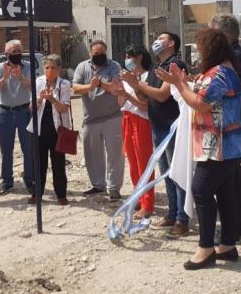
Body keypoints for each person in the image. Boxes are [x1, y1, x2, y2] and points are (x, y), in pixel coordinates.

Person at [157, 28, 241, 270]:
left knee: (201, 190)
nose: (198, 52)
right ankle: (227, 245)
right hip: (226, 145)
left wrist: (178, 83)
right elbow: (200, 89)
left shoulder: (219, 74)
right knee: (225, 194)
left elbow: (200, 103)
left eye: (200, 48)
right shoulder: (223, 71)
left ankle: (205, 248)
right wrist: (181, 80)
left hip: (218, 146)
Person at [121, 32, 189, 236]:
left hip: (172, 127)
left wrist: (135, 84)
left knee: (177, 174)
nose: (156, 42)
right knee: (167, 173)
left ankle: (182, 219)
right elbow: (146, 94)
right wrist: (135, 84)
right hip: (157, 127)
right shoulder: (156, 69)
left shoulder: (176, 64)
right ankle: (172, 213)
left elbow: (161, 95)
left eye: (161, 39)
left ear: (171, 43)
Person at [210, 14, 241, 238]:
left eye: (213, 33)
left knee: (232, 176)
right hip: (231, 124)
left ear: (223, 34)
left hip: (231, 125)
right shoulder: (234, 56)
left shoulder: (235, 58)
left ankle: (239, 225)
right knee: (233, 176)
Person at [72, 40, 124, 199]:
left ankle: (114, 188)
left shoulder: (114, 66)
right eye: (96, 54)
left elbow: (116, 89)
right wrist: (90, 87)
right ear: (90, 54)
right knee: (92, 154)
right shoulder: (82, 67)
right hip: (91, 118)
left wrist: (100, 83)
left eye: (102, 54)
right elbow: (75, 87)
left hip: (112, 117)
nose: (99, 56)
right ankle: (98, 184)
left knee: (114, 154)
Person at [0, 40, 34, 196]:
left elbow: (34, 85)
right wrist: (5, 78)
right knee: (6, 150)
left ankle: (30, 181)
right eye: (13, 52)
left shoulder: (28, 66)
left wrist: (21, 77)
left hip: (24, 112)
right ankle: (7, 182)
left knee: (28, 149)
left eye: (18, 51)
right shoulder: (0, 68)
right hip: (5, 113)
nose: (16, 54)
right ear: (6, 54)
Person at [117, 45, 154, 219]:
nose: (126, 60)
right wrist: (119, 91)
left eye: (128, 56)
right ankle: (138, 197)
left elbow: (144, 105)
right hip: (127, 118)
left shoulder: (147, 77)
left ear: (138, 57)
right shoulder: (126, 78)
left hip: (141, 121)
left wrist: (130, 89)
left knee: (144, 163)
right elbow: (120, 103)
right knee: (132, 162)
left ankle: (148, 204)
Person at [28, 54, 70, 205]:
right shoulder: (38, 82)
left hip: (57, 129)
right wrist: (40, 99)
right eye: (47, 68)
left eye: (53, 68)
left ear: (58, 69)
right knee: (39, 163)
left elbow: (64, 108)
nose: (50, 71)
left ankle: (61, 194)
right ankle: (36, 193)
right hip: (39, 128)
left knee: (58, 163)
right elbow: (31, 108)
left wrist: (52, 99)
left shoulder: (64, 84)